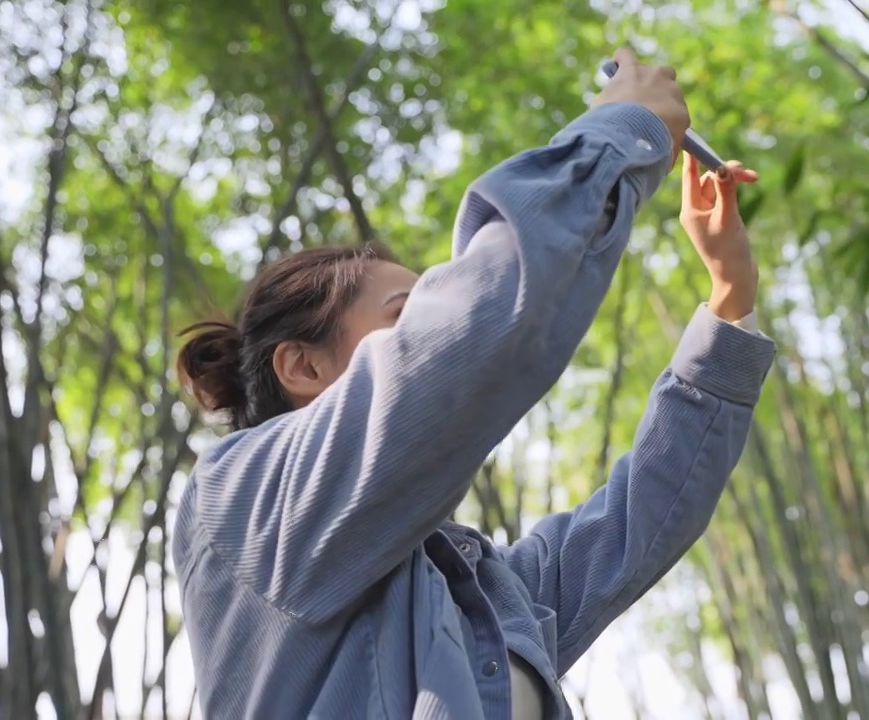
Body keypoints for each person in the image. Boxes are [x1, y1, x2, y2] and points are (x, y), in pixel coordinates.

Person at [172, 48, 775, 719]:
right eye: (406, 318)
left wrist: (730, 301)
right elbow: (474, 332)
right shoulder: (248, 502)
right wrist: (617, 133)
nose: (431, 328)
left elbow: (646, 514)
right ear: (303, 367)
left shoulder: (489, 594)